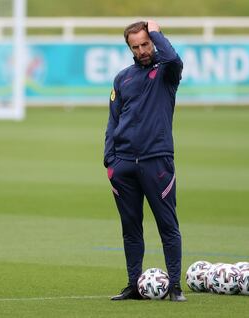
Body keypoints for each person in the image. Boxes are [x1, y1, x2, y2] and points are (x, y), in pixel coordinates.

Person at [103, 20, 186, 302]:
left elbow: (173, 57)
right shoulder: (122, 78)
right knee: (130, 228)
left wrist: (157, 33)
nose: (142, 50)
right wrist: (109, 162)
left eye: (146, 44)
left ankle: (174, 286)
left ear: (152, 41)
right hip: (123, 165)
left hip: (157, 161)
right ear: (130, 48)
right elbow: (113, 121)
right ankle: (133, 285)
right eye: (136, 46)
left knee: (167, 226)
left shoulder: (167, 73)